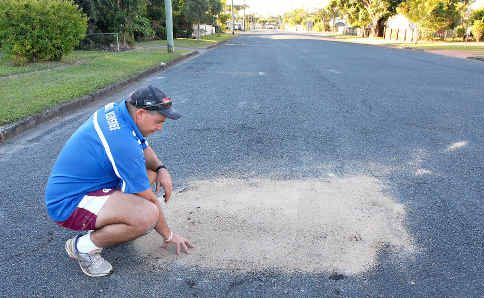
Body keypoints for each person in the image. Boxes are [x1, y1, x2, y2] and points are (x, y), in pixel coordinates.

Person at [45, 85, 193, 277]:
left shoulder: (119, 112)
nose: (160, 127)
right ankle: (83, 247)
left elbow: (143, 146)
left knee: (151, 173)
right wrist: (169, 235)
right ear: (140, 113)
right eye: (158, 121)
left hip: (86, 186)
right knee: (147, 215)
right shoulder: (123, 144)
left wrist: (161, 169)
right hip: (68, 203)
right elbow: (150, 200)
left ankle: (116, 224)